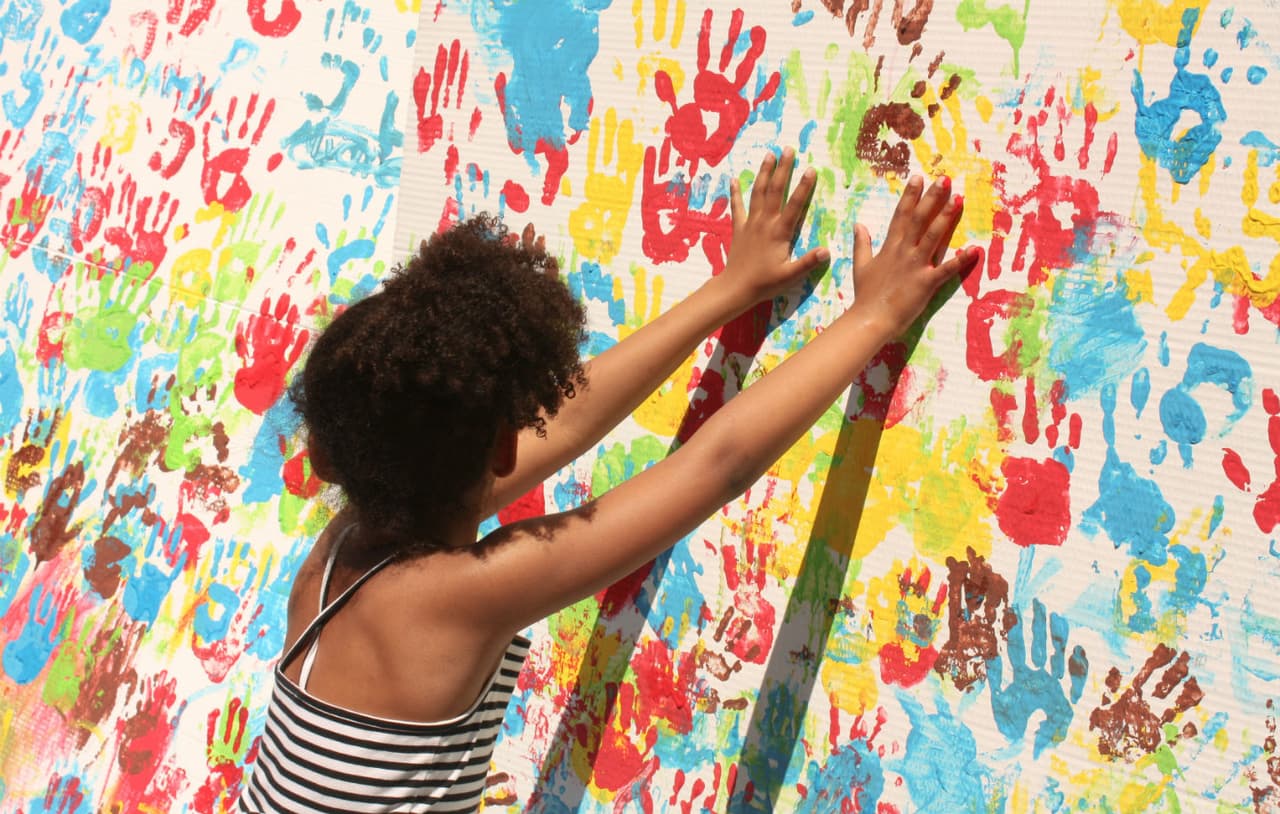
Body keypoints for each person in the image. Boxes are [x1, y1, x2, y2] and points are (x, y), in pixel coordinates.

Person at [237, 148, 978, 813]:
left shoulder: (343, 547)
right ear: (502, 450)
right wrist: (875, 315)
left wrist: (729, 292)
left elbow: (563, 424)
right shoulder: (461, 596)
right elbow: (714, 467)